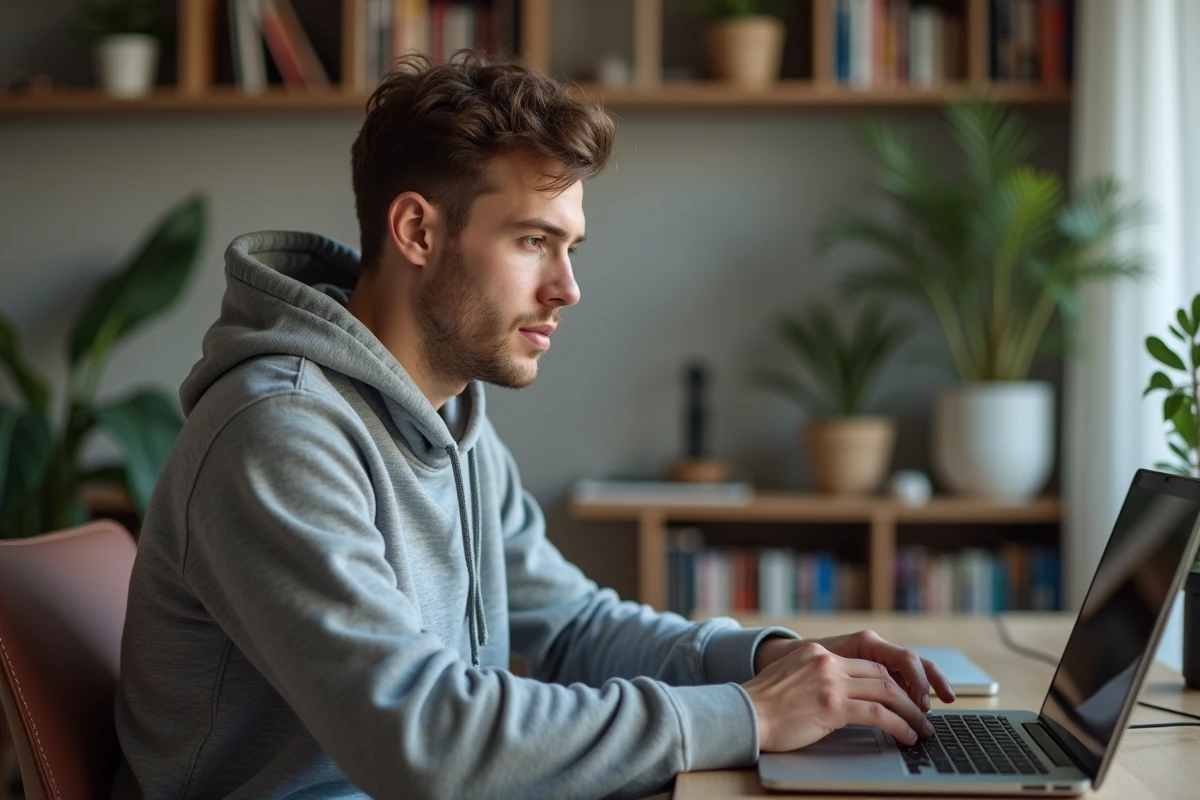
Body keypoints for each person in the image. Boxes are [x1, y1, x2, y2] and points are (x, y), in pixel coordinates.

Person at [112, 53, 954, 800]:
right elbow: (427, 742)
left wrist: (766, 661)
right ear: (417, 230)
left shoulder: (450, 421)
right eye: (532, 241)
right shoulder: (279, 434)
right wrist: (745, 716)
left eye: (570, 247)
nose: (567, 287)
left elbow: (575, 627)